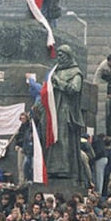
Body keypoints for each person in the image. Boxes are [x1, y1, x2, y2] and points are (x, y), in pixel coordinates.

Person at [40, 44, 84, 180]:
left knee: (63, 139)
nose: (59, 57)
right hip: (52, 110)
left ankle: (64, 169)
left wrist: (59, 82)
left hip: (65, 111)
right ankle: (51, 169)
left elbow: (75, 89)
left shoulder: (75, 72)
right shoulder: (54, 71)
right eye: (58, 55)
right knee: (51, 139)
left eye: (62, 55)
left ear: (68, 56)